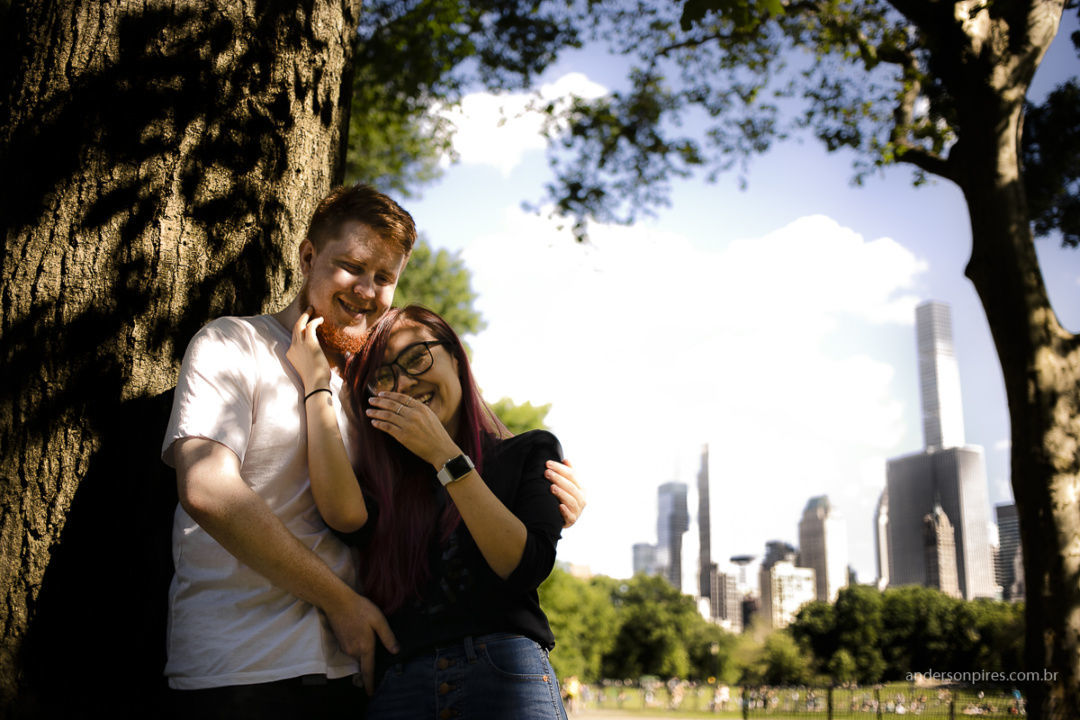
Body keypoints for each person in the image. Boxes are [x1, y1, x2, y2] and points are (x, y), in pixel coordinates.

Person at [161, 184, 585, 718]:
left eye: (385, 277)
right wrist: (342, 602)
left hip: (356, 672)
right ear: (308, 255)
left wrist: (543, 501)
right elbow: (206, 488)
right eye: (352, 267)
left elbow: (443, 497)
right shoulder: (232, 343)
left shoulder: (378, 396)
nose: (367, 290)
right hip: (242, 665)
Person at [287, 304, 569, 719]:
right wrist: (316, 384)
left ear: (455, 356)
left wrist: (444, 455)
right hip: (401, 685)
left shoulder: (530, 452)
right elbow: (343, 516)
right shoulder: (382, 482)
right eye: (385, 375)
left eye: (417, 357)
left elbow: (523, 565)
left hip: (503, 676)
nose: (405, 381)